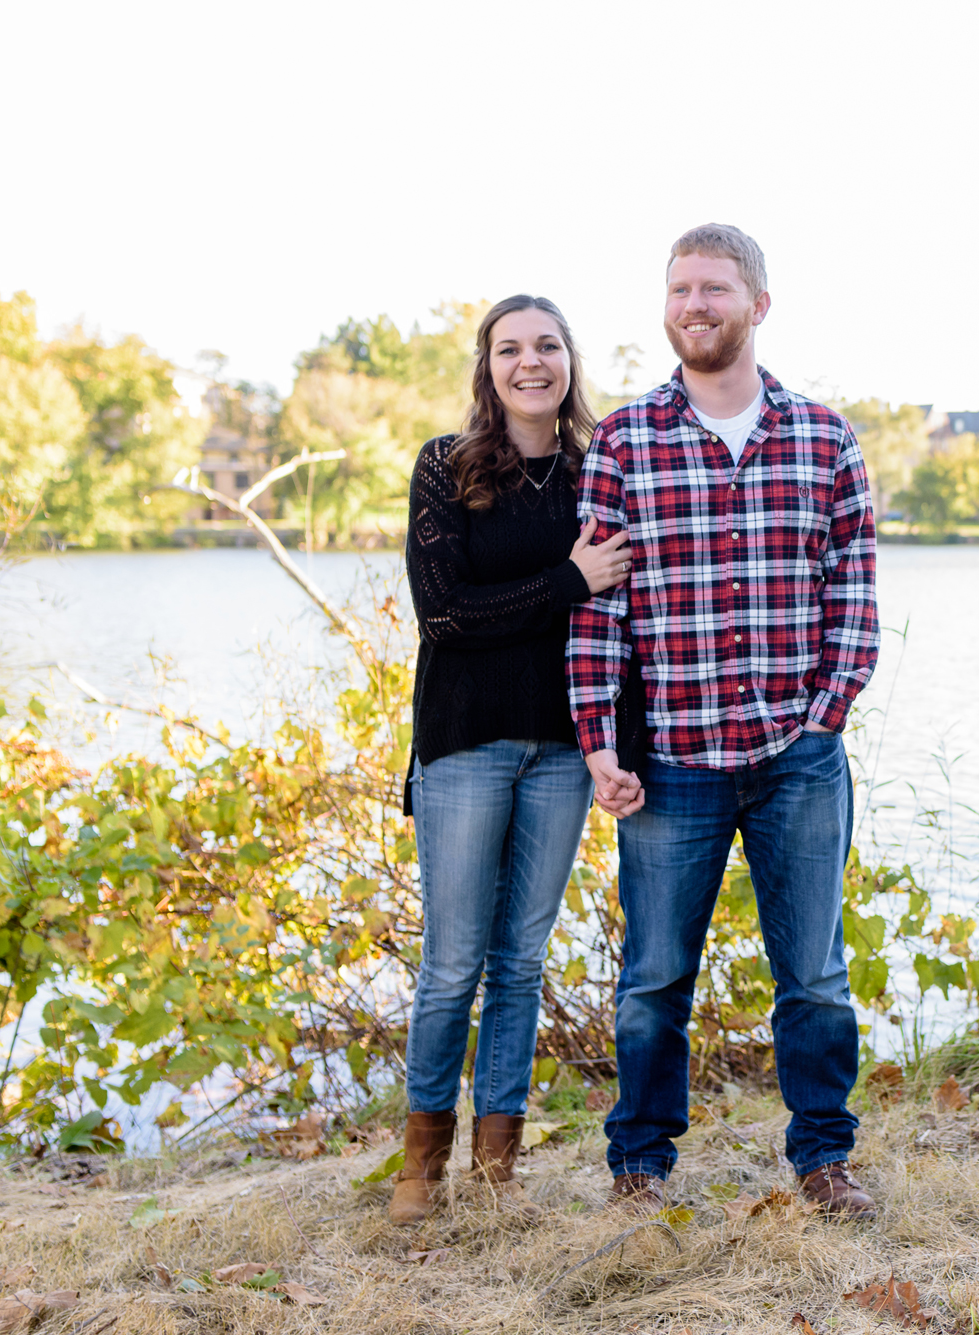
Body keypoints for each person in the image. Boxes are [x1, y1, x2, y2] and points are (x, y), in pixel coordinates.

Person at [566, 224, 880, 1217]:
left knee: (815, 978)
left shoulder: (823, 438)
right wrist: (598, 743)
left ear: (757, 304)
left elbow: (854, 598)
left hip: (798, 760)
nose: (691, 305)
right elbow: (597, 607)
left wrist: (822, 720)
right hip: (673, 766)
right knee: (655, 979)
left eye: (711, 288)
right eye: (677, 290)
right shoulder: (624, 440)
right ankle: (640, 1170)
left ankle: (824, 1160)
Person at [391, 294, 632, 1225]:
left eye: (546, 346)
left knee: (521, 961)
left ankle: (499, 1164)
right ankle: (421, 1165)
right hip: (464, 743)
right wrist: (567, 581)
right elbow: (444, 615)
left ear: (569, 358)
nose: (529, 363)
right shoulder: (445, 468)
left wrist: (617, 743)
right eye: (509, 349)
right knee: (452, 961)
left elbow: (620, 620)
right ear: (486, 367)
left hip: (566, 747)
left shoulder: (598, 469)